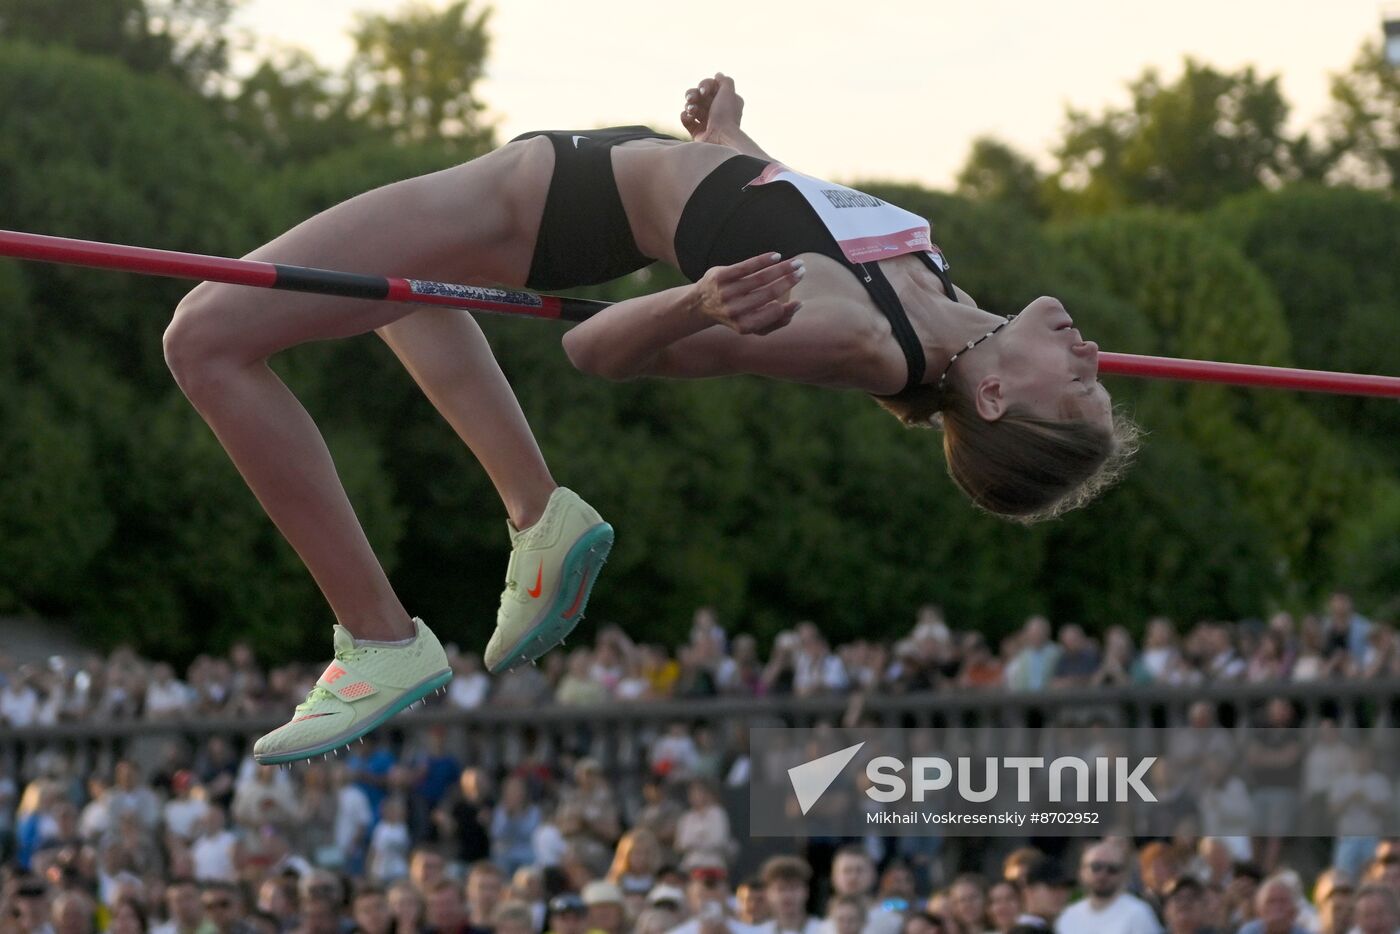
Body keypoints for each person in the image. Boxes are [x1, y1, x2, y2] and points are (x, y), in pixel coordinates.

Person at [165, 72, 1136, 763]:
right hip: (569, 178)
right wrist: (725, 137)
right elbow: (789, 209)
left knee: (204, 338)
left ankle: (377, 636)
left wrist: (690, 304)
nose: (1091, 358)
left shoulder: (857, 337)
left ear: (998, 398)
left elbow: (593, 352)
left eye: (1079, 385)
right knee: (412, 293)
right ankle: (536, 514)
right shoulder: (936, 288)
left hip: (542, 204)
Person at [1055, 842, 1161, 934]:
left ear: (1124, 874)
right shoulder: (1068, 915)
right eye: (1096, 867)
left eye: (1112, 869)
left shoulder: (1139, 913)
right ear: (1082, 871)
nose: (1103, 875)